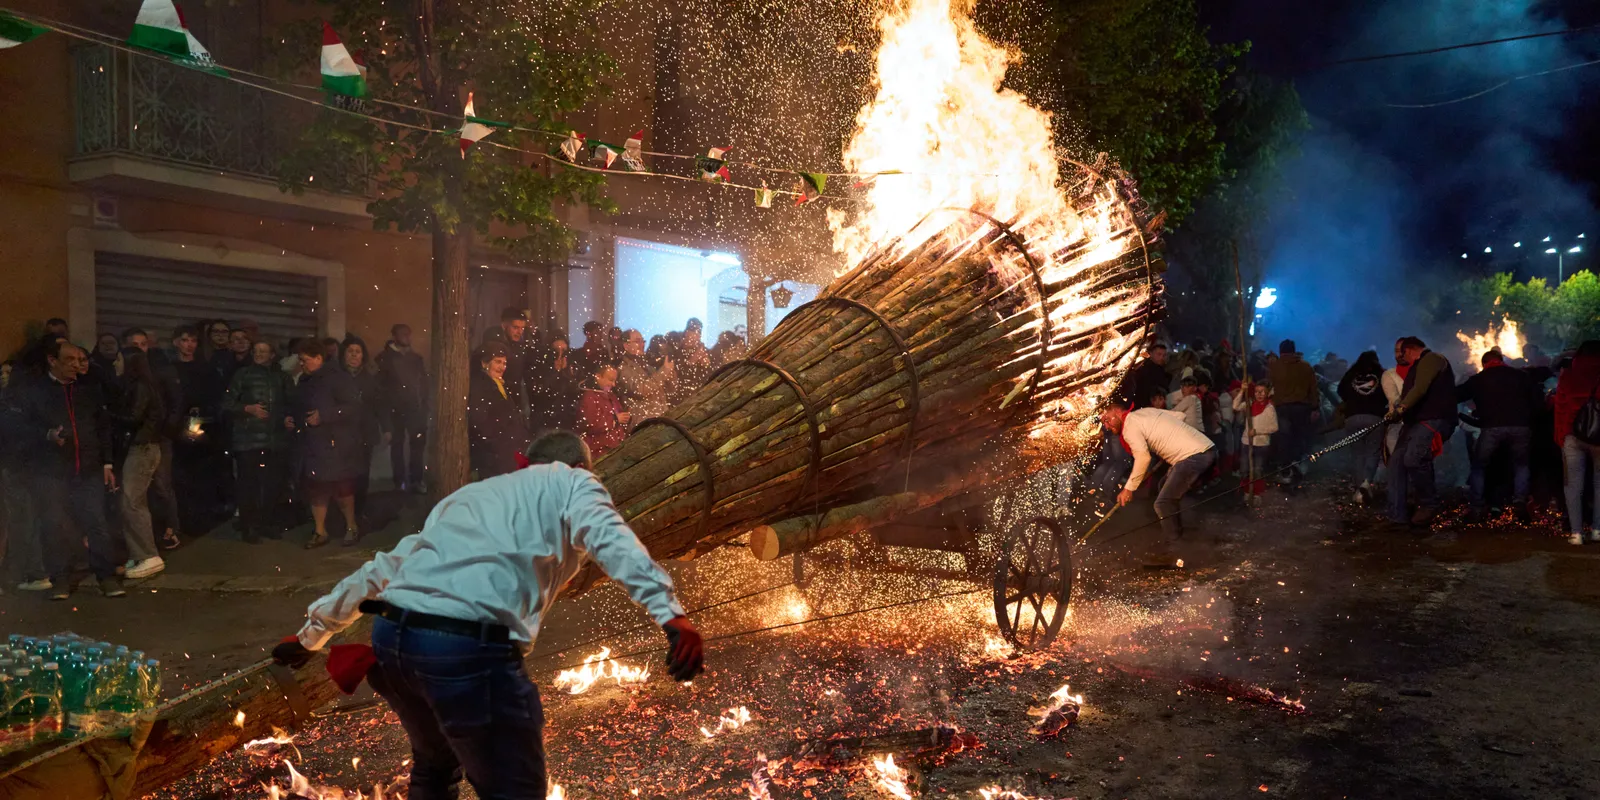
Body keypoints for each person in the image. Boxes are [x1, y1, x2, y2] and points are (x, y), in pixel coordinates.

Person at [270, 430, 703, 799]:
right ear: (579, 464)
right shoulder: (572, 482)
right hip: (462, 649)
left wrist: (311, 634)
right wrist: (672, 616)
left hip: (392, 639)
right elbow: (615, 543)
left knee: (435, 765)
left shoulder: (472, 494)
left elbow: (388, 564)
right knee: (514, 788)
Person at [18, 341, 124, 599]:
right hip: (51, 471)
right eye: (70, 360)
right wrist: (47, 435)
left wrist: (107, 463)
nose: (77, 364)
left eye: (79, 359)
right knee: (54, 525)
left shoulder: (88, 390)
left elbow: (103, 429)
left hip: (88, 469)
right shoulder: (36, 392)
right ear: (53, 361)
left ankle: (106, 577)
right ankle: (61, 580)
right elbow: (19, 427)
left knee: (96, 523)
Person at [1099, 404, 1216, 565]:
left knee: (1162, 503)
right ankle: (1176, 535)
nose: (1106, 425)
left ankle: (1176, 551)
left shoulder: (1129, 427)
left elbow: (1143, 458)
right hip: (1204, 449)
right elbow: (1180, 416)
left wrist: (1128, 488)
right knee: (1163, 487)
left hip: (1194, 456)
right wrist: (1166, 442)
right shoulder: (1144, 412)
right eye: (1103, 423)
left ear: (1117, 412)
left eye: (1107, 419)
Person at [291, 338, 364, 549]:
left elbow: (354, 407)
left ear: (318, 358)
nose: (301, 364)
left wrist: (325, 415)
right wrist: (292, 418)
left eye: (305, 360)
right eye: (300, 360)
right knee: (317, 490)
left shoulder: (338, 379)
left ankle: (351, 527)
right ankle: (319, 531)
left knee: (342, 490)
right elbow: (299, 406)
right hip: (312, 445)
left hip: (336, 445)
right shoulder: (304, 381)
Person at [1456, 349, 1539, 522]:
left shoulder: (1480, 379)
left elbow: (1457, 395)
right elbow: (1537, 399)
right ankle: (1519, 504)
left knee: (1479, 467)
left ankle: (1477, 508)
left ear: (1485, 364)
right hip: (1521, 427)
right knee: (1521, 465)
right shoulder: (1522, 376)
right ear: (1501, 360)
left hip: (1491, 428)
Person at [1385, 336, 1458, 529]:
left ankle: (1428, 503)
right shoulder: (1416, 368)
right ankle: (1397, 516)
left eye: (1400, 352)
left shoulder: (1432, 359)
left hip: (1433, 418)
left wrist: (1401, 409)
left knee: (1413, 458)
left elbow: (1420, 389)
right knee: (1396, 464)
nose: (1399, 356)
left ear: (1409, 350)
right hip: (1414, 422)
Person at [111, 348, 171, 579]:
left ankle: (147, 555)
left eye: (118, 359)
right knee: (133, 501)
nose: (115, 363)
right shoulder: (142, 386)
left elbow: (134, 418)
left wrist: (107, 414)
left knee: (131, 501)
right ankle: (140, 554)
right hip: (142, 447)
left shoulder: (141, 387)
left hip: (142, 448)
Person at [124, 327, 183, 550]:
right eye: (134, 345)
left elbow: (175, 402)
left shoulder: (160, 370)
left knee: (161, 485)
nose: (139, 349)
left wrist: (167, 429)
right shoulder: (130, 374)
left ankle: (170, 529)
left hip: (158, 437)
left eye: (143, 344)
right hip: (139, 437)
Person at [226, 341, 290, 543]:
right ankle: (249, 526)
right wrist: (247, 409)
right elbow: (226, 403)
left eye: (264, 350)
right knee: (248, 486)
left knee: (272, 485)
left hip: (275, 440)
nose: (259, 354)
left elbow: (289, 403)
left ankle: (267, 523)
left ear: (273, 354)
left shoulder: (282, 377)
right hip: (248, 441)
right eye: (256, 351)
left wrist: (287, 419)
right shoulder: (242, 375)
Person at [1552, 340, 1600, 544]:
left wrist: (1560, 436)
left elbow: (1560, 406)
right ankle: (1598, 530)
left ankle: (1576, 533)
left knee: (1573, 485)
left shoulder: (1568, 374)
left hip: (1572, 435)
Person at [341, 337, 389, 525]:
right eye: (350, 351)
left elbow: (380, 406)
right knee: (343, 476)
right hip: (341, 435)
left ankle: (358, 512)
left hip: (364, 435)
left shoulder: (369, 380)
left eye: (358, 352)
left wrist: (386, 428)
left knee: (361, 475)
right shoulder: (336, 378)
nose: (354, 355)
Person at [376, 324, 429, 494]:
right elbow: (381, 389)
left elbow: (423, 383)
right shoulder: (384, 359)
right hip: (395, 411)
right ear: (394, 336)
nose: (407, 337)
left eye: (408, 333)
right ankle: (400, 482)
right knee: (397, 447)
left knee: (417, 446)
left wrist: (424, 406)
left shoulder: (416, 358)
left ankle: (416, 480)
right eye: (402, 334)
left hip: (415, 410)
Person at [469, 343, 532, 479]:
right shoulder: (480, 386)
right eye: (497, 362)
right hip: (494, 457)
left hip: (506, 453)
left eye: (504, 363)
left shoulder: (498, 384)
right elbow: (479, 422)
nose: (502, 367)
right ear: (484, 363)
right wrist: (499, 445)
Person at [1337, 351, 1388, 504]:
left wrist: (1354, 401)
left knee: (1357, 453)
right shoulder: (1382, 374)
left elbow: (1341, 390)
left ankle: (1359, 487)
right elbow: (1389, 392)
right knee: (1373, 452)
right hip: (1375, 417)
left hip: (1352, 417)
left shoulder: (1351, 374)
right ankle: (1367, 484)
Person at [1267, 339, 1318, 481]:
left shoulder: (1274, 367)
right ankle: (1298, 464)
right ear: (1294, 350)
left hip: (1282, 407)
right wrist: (1315, 407)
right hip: (1302, 408)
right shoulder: (1306, 367)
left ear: (1280, 351)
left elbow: (1269, 386)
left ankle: (1285, 469)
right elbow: (1313, 389)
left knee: (1284, 438)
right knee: (1299, 437)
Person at [482, 308, 534, 414]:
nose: (519, 332)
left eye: (522, 328)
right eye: (515, 327)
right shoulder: (494, 343)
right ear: (504, 325)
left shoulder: (520, 345)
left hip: (513, 395)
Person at [1233, 381, 1278, 500]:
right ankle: (1247, 492)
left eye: (1262, 392)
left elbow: (1274, 427)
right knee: (1244, 469)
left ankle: (1257, 493)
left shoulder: (1269, 408)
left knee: (1258, 470)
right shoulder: (1249, 404)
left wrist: (1257, 431)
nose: (1260, 394)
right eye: (1257, 392)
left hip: (1261, 444)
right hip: (1246, 442)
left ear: (1267, 393)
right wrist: (1242, 390)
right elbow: (1235, 406)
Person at [618, 329, 674, 421]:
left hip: (659, 419)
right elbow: (640, 390)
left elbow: (670, 390)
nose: (642, 345)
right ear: (626, 345)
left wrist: (670, 375)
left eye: (643, 341)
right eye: (637, 341)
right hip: (643, 423)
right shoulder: (623, 369)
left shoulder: (648, 367)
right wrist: (664, 371)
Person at [578, 364, 631, 459]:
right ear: (598, 376)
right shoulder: (589, 397)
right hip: (601, 452)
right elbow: (591, 425)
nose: (613, 384)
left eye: (615, 381)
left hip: (614, 447)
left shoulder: (610, 395)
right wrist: (615, 419)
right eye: (611, 380)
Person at [530, 336, 578, 433]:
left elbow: (575, 393)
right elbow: (539, 392)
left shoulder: (572, 368)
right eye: (556, 350)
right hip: (546, 423)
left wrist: (566, 373)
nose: (559, 355)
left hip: (566, 422)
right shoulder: (540, 367)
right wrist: (554, 371)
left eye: (563, 350)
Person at [1131, 343, 1170, 409]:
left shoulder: (1159, 368)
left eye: (1164, 355)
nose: (1161, 357)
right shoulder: (1147, 368)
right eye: (1159, 354)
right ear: (1151, 354)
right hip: (1146, 405)